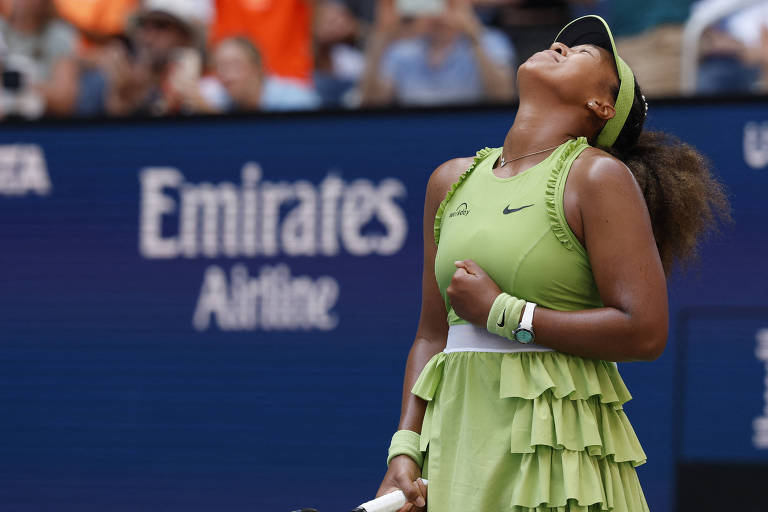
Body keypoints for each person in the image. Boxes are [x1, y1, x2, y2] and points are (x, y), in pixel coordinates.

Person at [375, 15, 729, 512]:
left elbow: (645, 331)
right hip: (456, 439)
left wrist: (505, 313)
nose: (560, 45)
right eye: (559, 42)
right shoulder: (448, 181)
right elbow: (432, 336)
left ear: (601, 106)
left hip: (557, 449)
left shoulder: (598, 177)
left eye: (582, 53)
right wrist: (405, 449)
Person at [360, 0, 515, 107]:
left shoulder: (490, 40)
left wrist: (473, 34)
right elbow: (372, 102)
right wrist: (381, 37)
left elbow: (503, 96)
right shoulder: (402, 50)